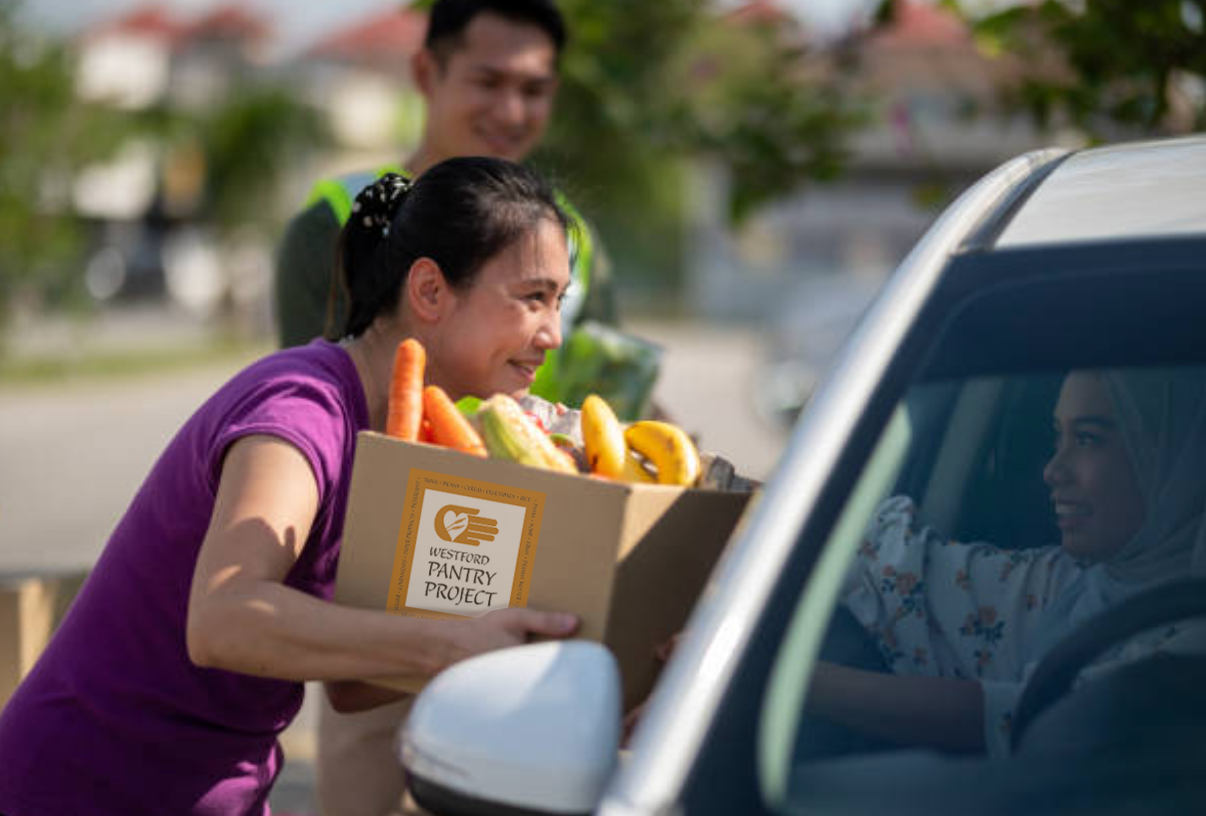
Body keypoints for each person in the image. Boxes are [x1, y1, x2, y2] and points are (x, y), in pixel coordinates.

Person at [0, 157, 581, 816]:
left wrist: (540, 619)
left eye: (559, 301)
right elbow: (223, 618)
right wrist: (447, 642)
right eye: (533, 297)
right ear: (429, 291)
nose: (552, 334)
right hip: (85, 789)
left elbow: (355, 687)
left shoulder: (404, 438)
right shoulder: (301, 407)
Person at [806, 367, 1206, 758]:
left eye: (1087, 439)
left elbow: (1024, 718)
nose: (1053, 470)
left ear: (1174, 456)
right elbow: (894, 563)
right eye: (1057, 437)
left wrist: (798, 683)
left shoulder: (1192, 643)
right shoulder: (1074, 582)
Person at [274, 0, 621, 408]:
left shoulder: (572, 236)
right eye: (488, 82)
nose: (511, 112)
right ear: (425, 73)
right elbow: (312, 408)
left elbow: (609, 404)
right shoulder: (337, 223)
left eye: (533, 90)